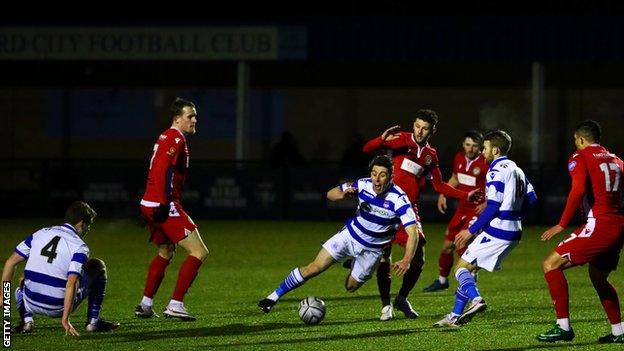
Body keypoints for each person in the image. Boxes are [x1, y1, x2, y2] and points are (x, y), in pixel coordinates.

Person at [258, 155, 424, 314]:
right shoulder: (362, 184)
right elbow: (330, 193)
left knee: (351, 287)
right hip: (349, 237)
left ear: (391, 176)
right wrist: (342, 195)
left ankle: (354, 265)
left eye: (382, 175)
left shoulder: (399, 199)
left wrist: (407, 260)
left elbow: (413, 233)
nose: (377, 179)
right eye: (374, 174)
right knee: (314, 267)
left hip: (372, 251)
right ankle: (272, 297)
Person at [362, 109, 482, 321]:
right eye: (417, 126)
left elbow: (439, 185)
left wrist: (465, 194)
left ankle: (401, 298)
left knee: (418, 260)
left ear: (432, 131)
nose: (419, 131)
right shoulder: (401, 140)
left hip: (409, 209)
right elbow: (367, 149)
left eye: (424, 128)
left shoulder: (430, 155)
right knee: (384, 256)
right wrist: (382, 139)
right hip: (386, 204)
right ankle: (385, 305)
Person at [433, 130, 537, 327]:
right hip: (515, 230)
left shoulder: (496, 170)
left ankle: (476, 300)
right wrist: (514, 215)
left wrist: (471, 231)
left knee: (460, 269)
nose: (482, 152)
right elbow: (532, 199)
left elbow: (493, 205)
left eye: (485, 148)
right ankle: (455, 316)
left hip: (499, 230)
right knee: (469, 269)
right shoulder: (517, 169)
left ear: (495, 150)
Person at [536, 120, 624, 343]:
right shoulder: (616, 160)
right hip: (618, 225)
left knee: (550, 265)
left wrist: (561, 224)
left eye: (576, 141)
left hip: (600, 225)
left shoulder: (580, 156)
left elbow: (577, 191)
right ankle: (619, 331)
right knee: (598, 277)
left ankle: (563, 326)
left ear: (582, 140)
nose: (575, 145)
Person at [135, 98, 209, 321]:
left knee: (166, 251)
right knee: (199, 252)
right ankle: (176, 304)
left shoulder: (165, 135)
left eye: (195, 115)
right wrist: (164, 204)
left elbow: (159, 169)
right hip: (163, 205)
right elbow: (163, 170)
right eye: (190, 116)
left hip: (149, 203)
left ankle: (145, 304)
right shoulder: (176, 138)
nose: (194, 120)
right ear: (177, 119)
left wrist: (151, 203)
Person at [1, 201, 119, 336]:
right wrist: (65, 319)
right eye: (89, 225)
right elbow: (72, 281)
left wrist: (3, 297)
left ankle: (26, 321)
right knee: (97, 265)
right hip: (58, 307)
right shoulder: (80, 246)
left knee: (22, 280)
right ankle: (93, 322)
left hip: (31, 302)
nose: (88, 230)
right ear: (81, 224)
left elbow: (10, 263)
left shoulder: (40, 233)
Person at [423, 131, 487, 292]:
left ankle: (471, 279)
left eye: (474, 146)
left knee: (461, 242)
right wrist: (444, 193)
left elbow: (495, 185)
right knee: (446, 246)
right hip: (462, 208)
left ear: (480, 147)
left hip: (477, 211)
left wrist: (487, 203)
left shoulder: (486, 162)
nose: (470, 149)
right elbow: (455, 178)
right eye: (467, 145)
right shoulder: (458, 158)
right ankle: (442, 280)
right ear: (463, 145)